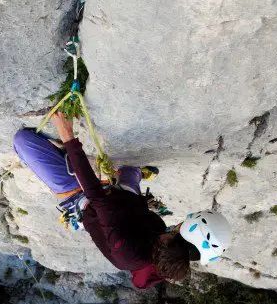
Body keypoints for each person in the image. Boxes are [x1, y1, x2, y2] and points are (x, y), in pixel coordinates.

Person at [12, 113, 232, 289]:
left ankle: (110, 172)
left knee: (22, 140)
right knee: (129, 172)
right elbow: (128, 205)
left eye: (183, 224)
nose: (180, 223)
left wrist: (68, 137)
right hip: (121, 198)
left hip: (82, 200)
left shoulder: (127, 253)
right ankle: (131, 174)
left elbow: (95, 194)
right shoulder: (161, 231)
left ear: (180, 235)